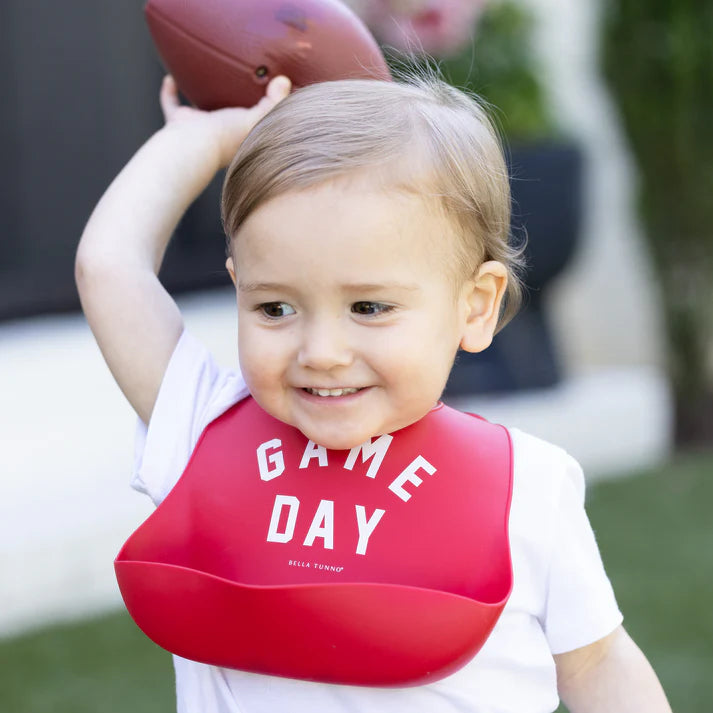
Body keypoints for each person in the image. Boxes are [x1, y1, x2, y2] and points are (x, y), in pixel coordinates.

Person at [76, 71, 672, 713]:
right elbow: (110, 268)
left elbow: (598, 664)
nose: (321, 352)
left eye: (368, 306)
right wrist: (208, 137)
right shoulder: (203, 428)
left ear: (475, 307)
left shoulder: (525, 487)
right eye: (275, 308)